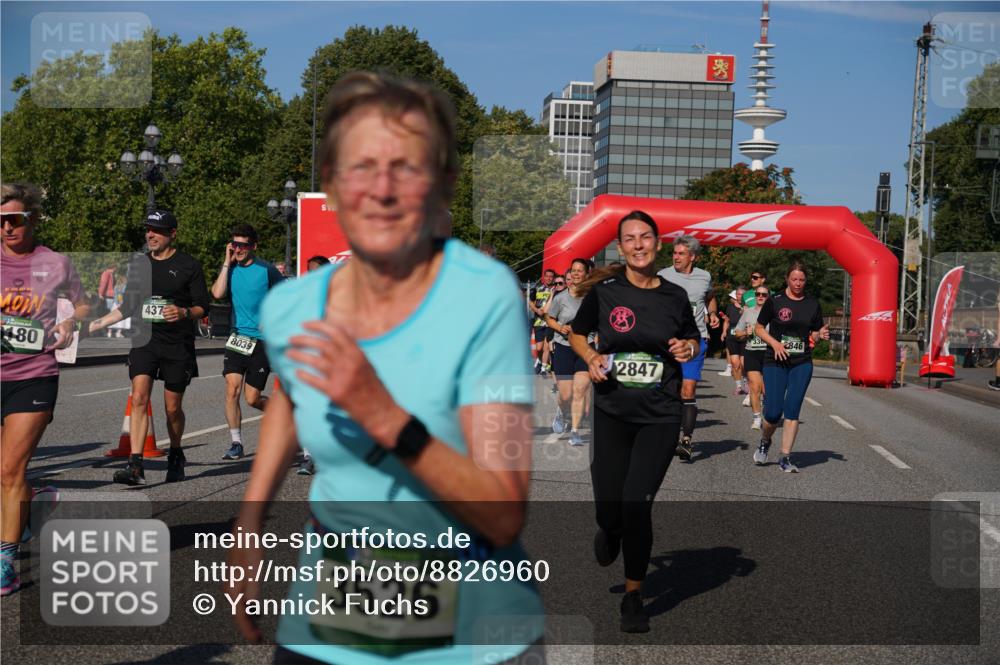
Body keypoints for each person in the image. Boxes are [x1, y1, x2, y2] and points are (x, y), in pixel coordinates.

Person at [228, 71, 543, 664]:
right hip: (329, 620)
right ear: (332, 184)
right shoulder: (295, 303)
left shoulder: (484, 295)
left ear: (444, 184)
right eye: (361, 166)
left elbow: (502, 517)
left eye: (407, 166)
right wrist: (251, 523)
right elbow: (293, 397)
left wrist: (382, 413)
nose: (382, 189)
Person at [569, 210, 699, 633]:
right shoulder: (605, 292)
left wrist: (686, 347)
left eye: (646, 237)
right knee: (611, 506)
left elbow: (693, 340)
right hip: (612, 412)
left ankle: (633, 595)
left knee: (637, 504)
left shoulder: (675, 297)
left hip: (660, 414)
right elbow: (577, 332)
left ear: (657, 244)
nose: (639, 244)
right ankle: (608, 529)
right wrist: (590, 357)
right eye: (630, 238)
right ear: (620, 247)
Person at [1, 183, 89, 596]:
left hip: (34, 374)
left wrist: (70, 320)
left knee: (9, 470)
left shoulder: (55, 263)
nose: (6, 228)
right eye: (0, 222)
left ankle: (5, 563)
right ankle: (35, 505)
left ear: (32, 219)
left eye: (15, 219)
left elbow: (84, 302)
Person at [89, 210, 210, 485]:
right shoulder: (139, 264)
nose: (150, 235)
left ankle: (176, 453)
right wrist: (95, 324)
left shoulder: (189, 265)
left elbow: (203, 305)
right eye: (148, 230)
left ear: (172, 234)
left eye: (157, 230)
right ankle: (135, 464)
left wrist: (183, 312)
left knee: (172, 409)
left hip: (178, 345)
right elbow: (128, 306)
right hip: (145, 342)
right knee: (139, 397)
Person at [210, 224, 284, 460]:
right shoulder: (230, 269)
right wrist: (226, 261)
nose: (238, 249)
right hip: (237, 337)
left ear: (253, 246)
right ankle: (236, 443)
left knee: (252, 398)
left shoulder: (268, 270)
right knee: (231, 390)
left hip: (261, 341)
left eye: (243, 245)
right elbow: (218, 293)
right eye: (234, 245)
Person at [752, 262, 830, 471]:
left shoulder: (812, 304)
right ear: (787, 278)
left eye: (802, 280)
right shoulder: (774, 301)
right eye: (794, 279)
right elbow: (759, 329)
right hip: (775, 362)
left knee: (793, 410)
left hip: (801, 363)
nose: (798, 283)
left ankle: (785, 457)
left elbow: (813, 334)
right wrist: (775, 343)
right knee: (773, 413)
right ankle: (765, 441)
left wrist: (819, 335)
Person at [657, 235, 720, 460]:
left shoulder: (705, 277)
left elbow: (710, 297)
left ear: (692, 257)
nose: (676, 257)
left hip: (696, 340)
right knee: (669, 391)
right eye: (674, 253)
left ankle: (686, 440)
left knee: (688, 390)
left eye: (681, 254)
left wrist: (712, 313)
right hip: (668, 342)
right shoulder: (663, 275)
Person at [545, 258, 592, 447]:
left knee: (580, 390)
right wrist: (560, 328)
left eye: (580, 270)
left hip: (585, 348)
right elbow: (549, 318)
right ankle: (560, 411)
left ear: (587, 274)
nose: (576, 274)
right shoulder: (560, 297)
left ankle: (575, 431)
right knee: (565, 395)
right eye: (573, 270)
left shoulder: (593, 297)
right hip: (564, 347)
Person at [734, 286, 769, 429]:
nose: (760, 296)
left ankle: (768, 410)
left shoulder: (773, 314)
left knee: (767, 390)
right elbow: (736, 332)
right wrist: (745, 333)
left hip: (769, 354)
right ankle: (756, 418)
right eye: (758, 294)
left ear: (768, 297)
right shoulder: (747, 312)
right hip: (752, 352)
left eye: (764, 294)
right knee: (755, 387)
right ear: (755, 296)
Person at [721, 288, 747, 395]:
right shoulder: (730, 307)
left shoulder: (749, 307)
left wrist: (742, 308)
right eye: (738, 294)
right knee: (735, 364)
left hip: (745, 337)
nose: (740, 296)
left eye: (742, 294)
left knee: (743, 364)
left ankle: (746, 384)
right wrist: (723, 332)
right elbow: (727, 320)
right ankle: (738, 386)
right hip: (732, 337)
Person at [530, 269, 556, 375]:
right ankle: (540, 361)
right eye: (547, 276)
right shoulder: (537, 288)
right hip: (538, 321)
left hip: (550, 321)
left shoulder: (556, 289)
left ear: (553, 278)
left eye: (551, 276)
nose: (549, 278)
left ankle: (544, 367)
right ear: (544, 277)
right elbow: (530, 301)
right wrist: (537, 310)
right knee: (539, 347)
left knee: (546, 346)